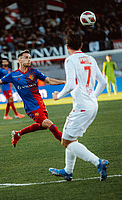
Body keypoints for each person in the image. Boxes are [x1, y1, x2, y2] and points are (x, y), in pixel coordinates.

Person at [49, 31, 109, 182]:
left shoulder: (70, 60)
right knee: (71, 138)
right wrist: (92, 98)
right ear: (81, 45)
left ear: (67, 46)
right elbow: (103, 83)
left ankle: (98, 162)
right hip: (92, 105)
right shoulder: (90, 59)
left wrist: (58, 96)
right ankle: (68, 171)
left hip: (82, 106)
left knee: (65, 141)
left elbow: (70, 85)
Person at [0, 50, 65, 147]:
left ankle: (18, 134)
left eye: (29, 58)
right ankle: (67, 142)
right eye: (26, 57)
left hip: (40, 104)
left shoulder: (34, 72)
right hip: (31, 107)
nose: (29, 60)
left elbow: (49, 81)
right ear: (19, 60)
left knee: (43, 126)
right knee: (49, 125)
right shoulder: (13, 75)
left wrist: (64, 82)